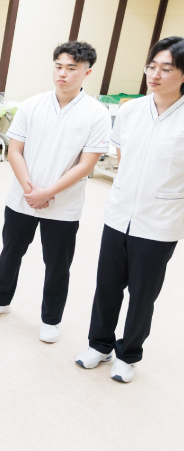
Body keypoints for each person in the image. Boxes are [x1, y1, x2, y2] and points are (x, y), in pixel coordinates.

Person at [0, 41, 111, 344]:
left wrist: (48, 192)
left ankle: (51, 319)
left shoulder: (96, 113)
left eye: (71, 68)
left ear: (87, 72)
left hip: (64, 205)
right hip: (22, 198)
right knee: (10, 252)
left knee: (57, 265)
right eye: (58, 66)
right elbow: (15, 151)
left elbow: (87, 164)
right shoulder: (32, 105)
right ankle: (0, 300)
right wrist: (31, 189)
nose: (62, 73)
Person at [76, 36, 184, 383]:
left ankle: (129, 354)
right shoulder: (131, 110)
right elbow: (123, 155)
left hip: (159, 222)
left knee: (142, 294)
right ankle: (99, 344)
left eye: (166, 69)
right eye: (151, 66)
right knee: (107, 285)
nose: (155, 75)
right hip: (119, 214)